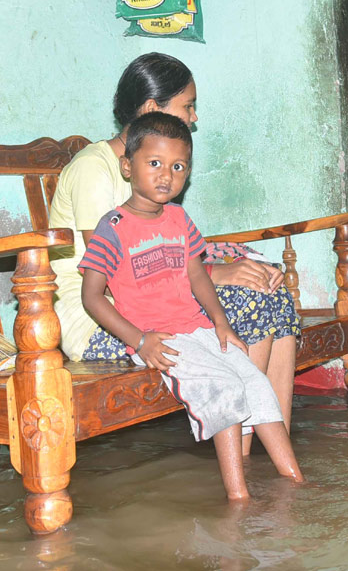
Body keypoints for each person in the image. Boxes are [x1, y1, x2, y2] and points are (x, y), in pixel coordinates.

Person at [48, 53, 300, 454]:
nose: (194, 117)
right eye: (188, 106)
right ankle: (247, 456)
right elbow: (117, 278)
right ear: (152, 109)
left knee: (269, 290)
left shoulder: (158, 172)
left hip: (158, 303)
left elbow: (171, 257)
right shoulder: (94, 169)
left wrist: (227, 269)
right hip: (101, 322)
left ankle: (272, 444)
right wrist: (220, 274)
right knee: (250, 300)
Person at [79, 113, 304, 501]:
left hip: (198, 328)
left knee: (256, 383)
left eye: (178, 167)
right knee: (225, 388)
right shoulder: (112, 227)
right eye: (154, 164)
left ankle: (297, 482)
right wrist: (140, 340)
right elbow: (92, 296)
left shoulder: (180, 219)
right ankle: (239, 498)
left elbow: (198, 277)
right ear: (127, 167)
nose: (166, 175)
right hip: (160, 339)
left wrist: (221, 324)